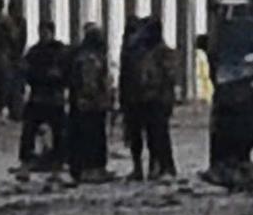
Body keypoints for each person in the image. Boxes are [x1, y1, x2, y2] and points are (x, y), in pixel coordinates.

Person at [120, 16, 180, 180]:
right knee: (138, 137)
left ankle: (160, 167)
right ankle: (143, 168)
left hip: (155, 100)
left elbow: (169, 77)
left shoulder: (162, 52)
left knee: (156, 136)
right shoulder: (136, 52)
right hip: (138, 100)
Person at [18, 22, 70, 169]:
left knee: (60, 131)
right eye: (41, 32)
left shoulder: (60, 51)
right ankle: (27, 158)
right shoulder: (34, 52)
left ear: (52, 33)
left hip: (55, 97)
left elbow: (66, 72)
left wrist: (58, 79)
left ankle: (60, 158)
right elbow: (25, 71)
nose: (43, 35)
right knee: (29, 130)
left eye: (46, 32)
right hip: (38, 96)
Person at [66, 23, 113, 182]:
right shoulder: (91, 58)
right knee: (93, 137)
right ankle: (92, 169)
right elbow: (90, 83)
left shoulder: (79, 55)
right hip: (91, 105)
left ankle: (83, 169)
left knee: (81, 137)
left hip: (80, 104)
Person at [3, 0, 30, 116]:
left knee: (15, 85)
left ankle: (16, 110)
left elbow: (20, 40)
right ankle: (15, 110)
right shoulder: (11, 22)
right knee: (13, 85)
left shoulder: (14, 22)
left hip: (13, 58)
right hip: (12, 57)